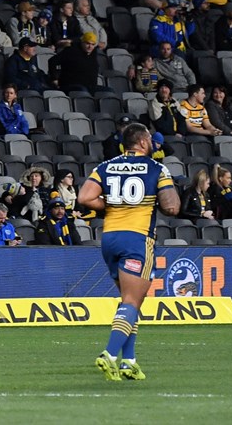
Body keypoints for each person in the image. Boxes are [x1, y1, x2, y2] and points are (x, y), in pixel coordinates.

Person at [81, 122, 180, 381]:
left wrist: (111, 204)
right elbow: (171, 208)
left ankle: (129, 362)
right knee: (132, 302)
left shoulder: (106, 166)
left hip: (110, 238)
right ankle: (110, 354)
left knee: (129, 301)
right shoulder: (157, 168)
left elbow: (85, 198)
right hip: (137, 239)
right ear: (144, 142)